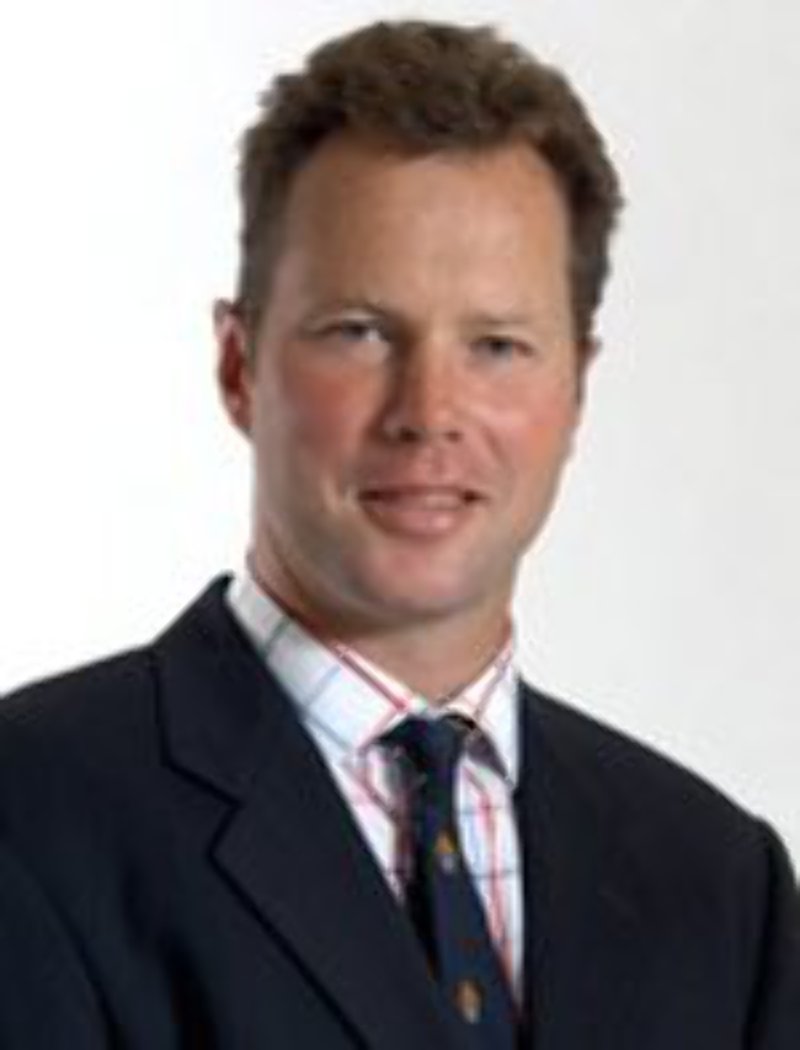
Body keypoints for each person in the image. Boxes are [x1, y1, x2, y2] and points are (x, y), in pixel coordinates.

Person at [0, 19, 797, 1049]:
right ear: (238, 368)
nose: (428, 412)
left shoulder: (722, 888)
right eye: (361, 333)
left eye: (496, 345)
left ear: (576, 390)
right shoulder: (32, 817)